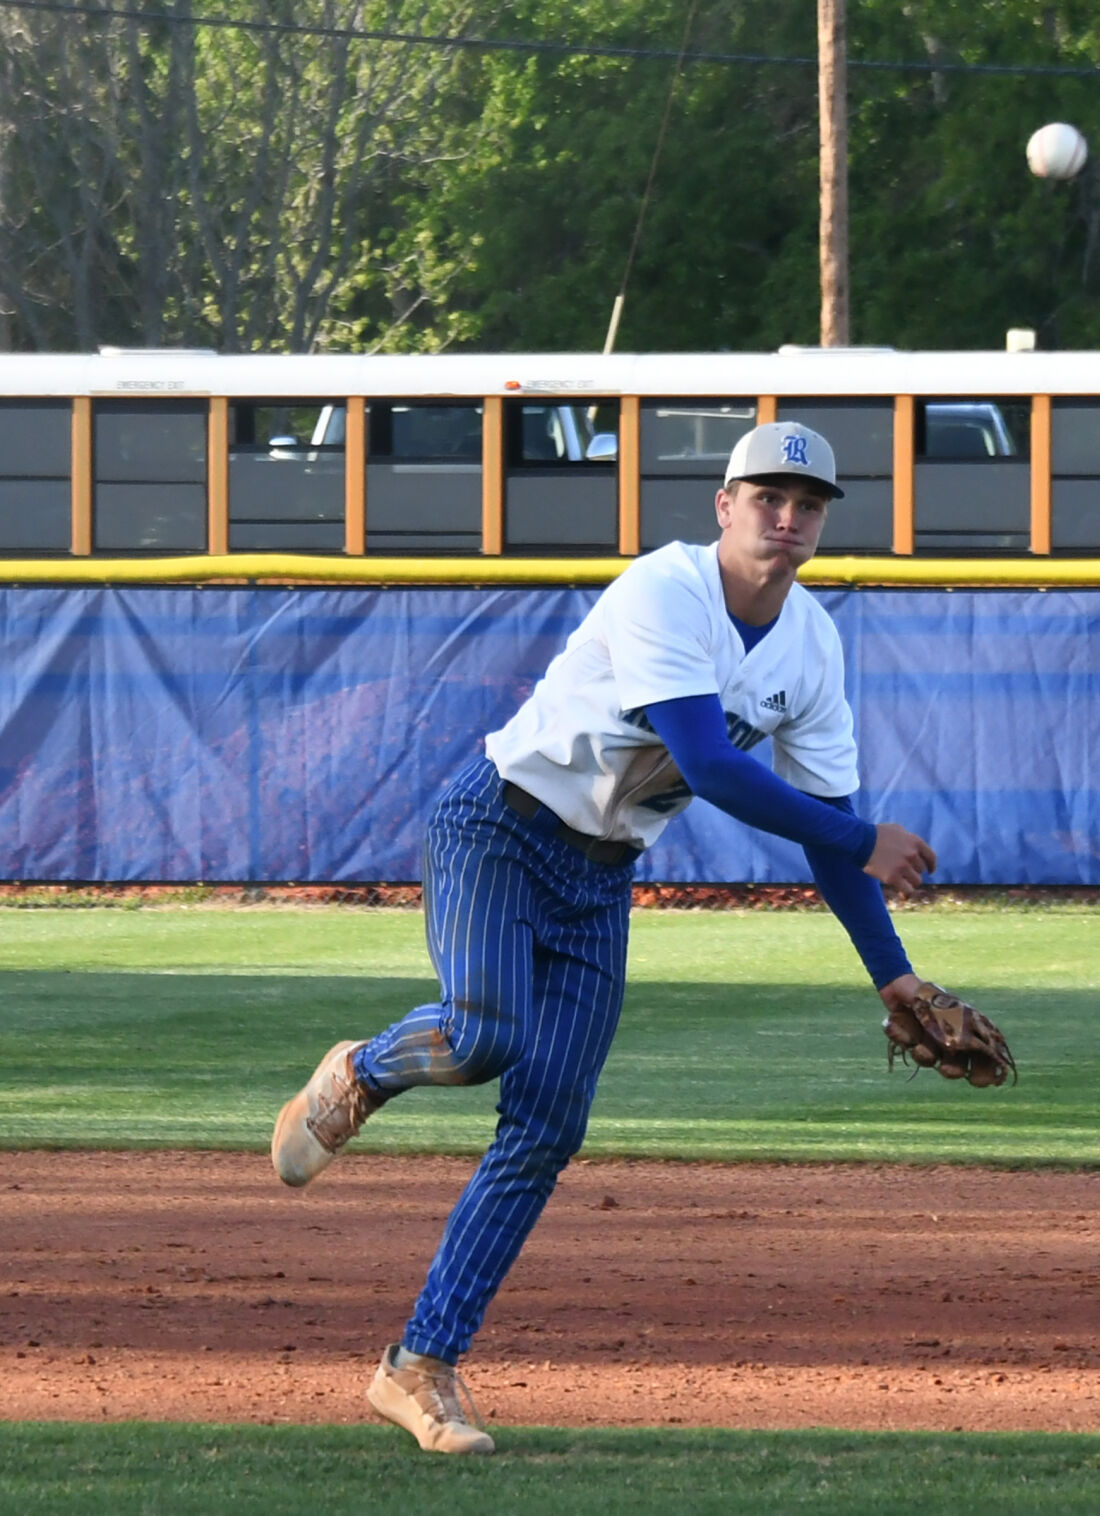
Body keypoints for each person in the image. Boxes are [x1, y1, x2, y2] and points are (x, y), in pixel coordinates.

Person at [271, 420, 944, 1455]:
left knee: (545, 1128)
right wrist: (866, 837)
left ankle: (419, 1366)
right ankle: (363, 1070)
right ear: (724, 506)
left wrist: (893, 976)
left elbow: (825, 831)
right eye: (767, 496)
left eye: (807, 504)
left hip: (598, 877)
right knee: (486, 1031)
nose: (788, 516)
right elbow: (715, 769)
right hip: (498, 824)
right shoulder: (662, 590)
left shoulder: (811, 645)